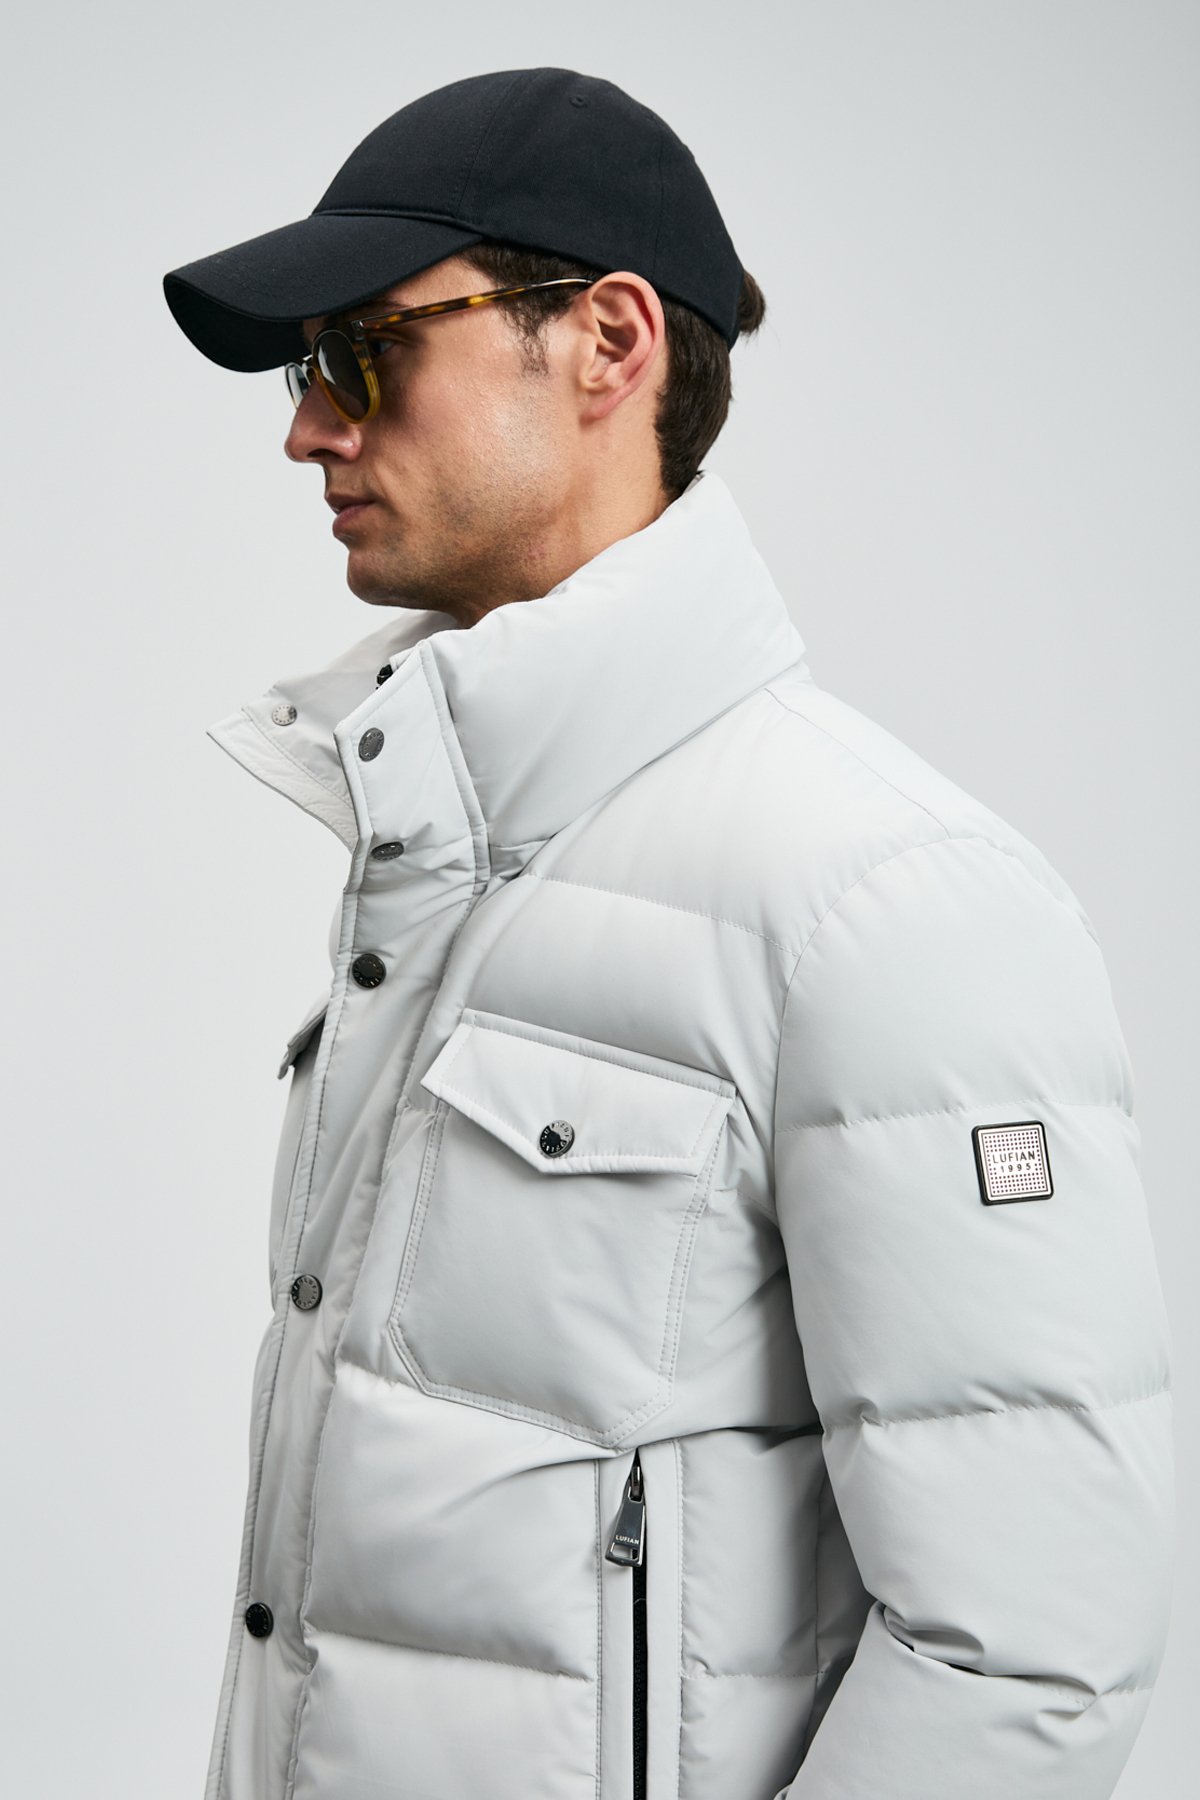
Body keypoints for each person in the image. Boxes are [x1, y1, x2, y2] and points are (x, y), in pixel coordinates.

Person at [162, 65, 1174, 1800]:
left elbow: (1032, 1649)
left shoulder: (887, 897)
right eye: (304, 369)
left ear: (608, 344)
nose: (309, 429)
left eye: (363, 354)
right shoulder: (434, 855)